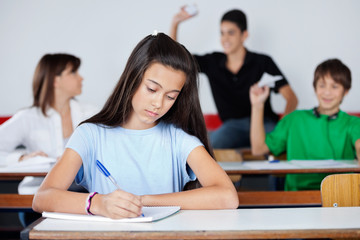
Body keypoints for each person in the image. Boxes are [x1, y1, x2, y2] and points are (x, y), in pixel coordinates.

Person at [32, 33, 239, 218]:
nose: (158, 104)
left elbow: (228, 196)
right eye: (151, 89)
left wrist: (142, 201)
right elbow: (42, 198)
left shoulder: (179, 139)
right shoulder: (90, 135)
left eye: (170, 96)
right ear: (132, 79)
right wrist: (98, 203)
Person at [170, 8, 298, 149]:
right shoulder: (213, 61)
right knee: (206, 147)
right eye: (222, 33)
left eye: (231, 33)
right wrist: (175, 24)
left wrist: (282, 128)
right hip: (231, 127)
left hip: (264, 123)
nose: (225, 39)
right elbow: (178, 61)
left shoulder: (263, 62)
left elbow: (291, 98)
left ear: (244, 35)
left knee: (278, 145)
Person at [0, 53, 98, 225]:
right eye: (73, 72)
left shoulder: (91, 113)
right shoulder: (27, 117)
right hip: (36, 199)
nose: (81, 78)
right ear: (55, 80)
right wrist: (21, 158)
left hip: (82, 197)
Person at [250, 58, 360, 191]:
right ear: (315, 88)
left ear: (346, 91)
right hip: (297, 198)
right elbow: (258, 149)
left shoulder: (353, 123)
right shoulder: (294, 119)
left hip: (338, 196)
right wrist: (257, 105)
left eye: (335, 86)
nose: (327, 92)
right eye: (322, 85)